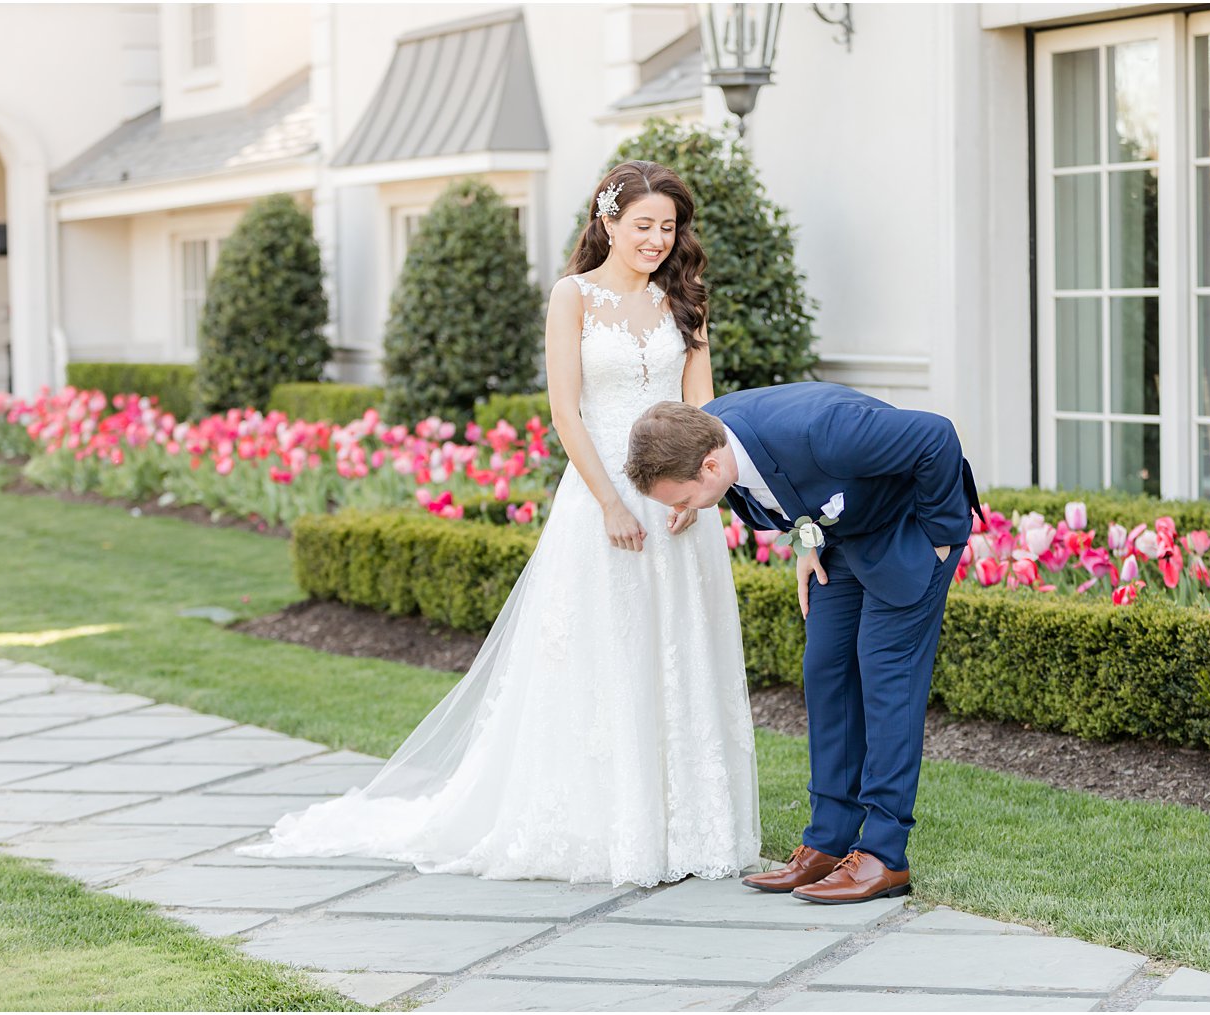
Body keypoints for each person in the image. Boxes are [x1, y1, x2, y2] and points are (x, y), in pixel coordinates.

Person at [239, 161, 760, 886]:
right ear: (607, 222)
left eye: (668, 228)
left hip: (681, 505)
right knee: (605, 654)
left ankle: (686, 827)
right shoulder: (571, 298)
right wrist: (610, 499)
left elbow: (704, 404)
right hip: (599, 492)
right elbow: (566, 410)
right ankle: (612, 826)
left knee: (677, 651)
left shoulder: (687, 302)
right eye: (643, 225)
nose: (657, 240)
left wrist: (697, 494)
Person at [625, 385, 981, 903]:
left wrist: (941, 537)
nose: (683, 509)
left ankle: (884, 856)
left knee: (886, 680)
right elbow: (791, 491)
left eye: (682, 500)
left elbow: (935, 436)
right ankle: (830, 841)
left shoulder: (823, 434)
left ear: (708, 466)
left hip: (907, 535)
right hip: (842, 542)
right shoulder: (710, 437)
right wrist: (805, 542)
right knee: (826, 671)